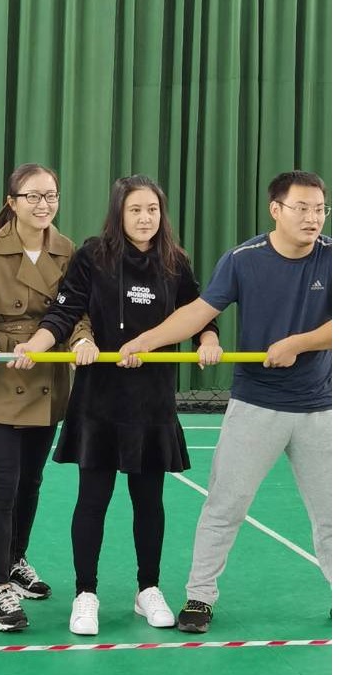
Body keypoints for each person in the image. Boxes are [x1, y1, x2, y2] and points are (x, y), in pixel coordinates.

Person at [118, 170, 331, 633]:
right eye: (302, 208)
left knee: (331, 515)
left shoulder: (332, 257)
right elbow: (198, 313)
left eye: (320, 209)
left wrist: (299, 343)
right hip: (256, 405)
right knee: (225, 506)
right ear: (276, 210)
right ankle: (199, 597)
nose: (313, 218)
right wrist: (145, 341)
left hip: (320, 408)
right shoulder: (242, 259)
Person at [12, 174, 221, 635]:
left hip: (152, 402)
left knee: (149, 501)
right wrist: (37, 345)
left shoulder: (176, 261)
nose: (145, 218)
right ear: (118, 214)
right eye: (135, 210)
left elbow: (200, 311)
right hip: (100, 400)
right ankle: (85, 594)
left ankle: (148, 589)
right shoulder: (93, 256)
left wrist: (208, 338)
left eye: (152, 209)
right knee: (93, 499)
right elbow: (64, 311)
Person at [0, 163, 92, 632]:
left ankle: (16, 560)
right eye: (32, 196)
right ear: (11, 202)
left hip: (47, 373)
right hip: (0, 375)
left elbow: (77, 310)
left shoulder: (68, 251)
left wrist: (82, 339)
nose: (43, 204)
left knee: (31, 482)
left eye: (50, 195)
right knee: (3, 484)